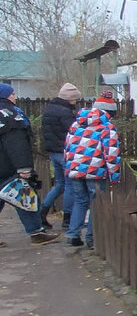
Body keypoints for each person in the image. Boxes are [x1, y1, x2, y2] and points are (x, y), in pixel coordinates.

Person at [63, 87, 122, 250]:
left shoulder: (76, 124)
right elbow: (111, 154)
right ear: (110, 113)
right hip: (95, 172)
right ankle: (92, 238)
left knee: (80, 201)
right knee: (96, 204)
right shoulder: (107, 128)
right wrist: (114, 176)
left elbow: (67, 148)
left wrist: (69, 168)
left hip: (75, 170)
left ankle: (73, 234)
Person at [0, 83, 59, 245]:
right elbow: (16, 144)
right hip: (8, 167)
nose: (15, 97)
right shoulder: (11, 116)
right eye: (12, 94)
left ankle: (36, 231)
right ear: (5, 96)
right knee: (24, 196)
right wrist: (24, 168)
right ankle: (36, 232)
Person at [40, 82, 82, 227]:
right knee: (69, 185)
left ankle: (43, 211)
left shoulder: (49, 109)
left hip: (53, 152)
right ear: (70, 99)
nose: (76, 102)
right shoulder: (65, 113)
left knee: (59, 184)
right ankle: (68, 219)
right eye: (75, 99)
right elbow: (74, 132)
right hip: (64, 152)